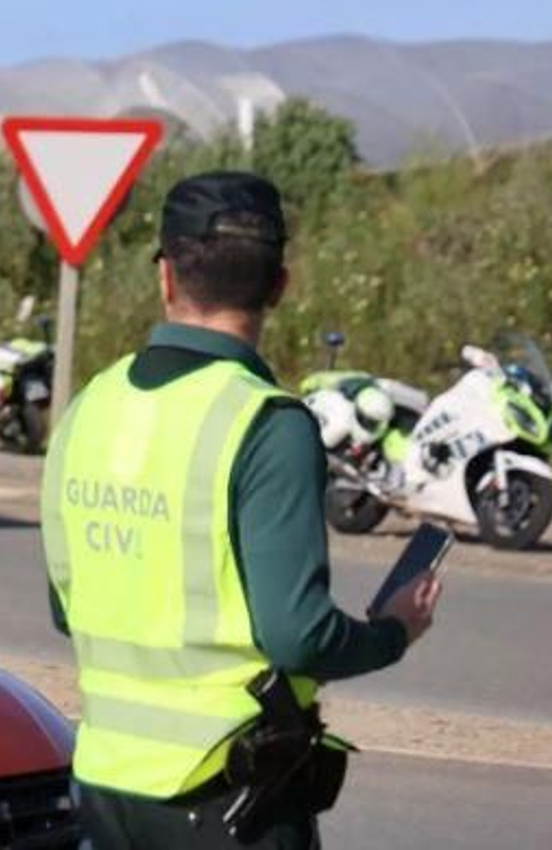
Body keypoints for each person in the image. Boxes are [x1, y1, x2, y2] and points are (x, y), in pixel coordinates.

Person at [40, 172, 441, 848]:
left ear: (166, 276)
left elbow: (67, 606)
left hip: (104, 790)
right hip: (229, 798)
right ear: (279, 287)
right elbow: (297, 636)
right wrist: (393, 632)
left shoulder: (88, 409)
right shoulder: (268, 424)